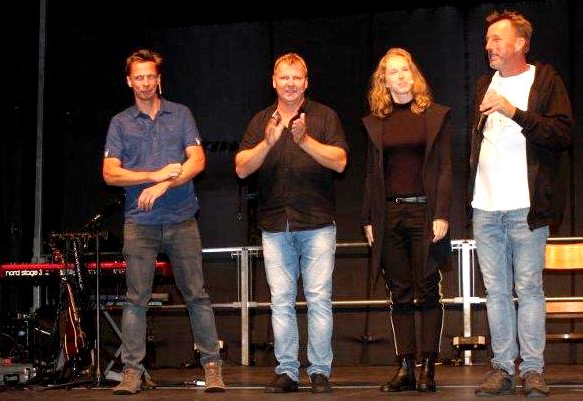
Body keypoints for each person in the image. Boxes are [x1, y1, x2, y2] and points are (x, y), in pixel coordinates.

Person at [102, 49, 224, 395]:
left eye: (150, 76)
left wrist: (163, 185)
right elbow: (110, 173)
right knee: (135, 299)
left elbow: (197, 161)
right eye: (138, 77)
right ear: (129, 81)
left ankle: (212, 366)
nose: (145, 83)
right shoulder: (120, 123)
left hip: (182, 219)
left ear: (159, 79)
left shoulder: (180, 114)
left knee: (196, 295)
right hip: (139, 224)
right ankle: (132, 372)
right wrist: (153, 174)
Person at [470, 10, 573, 398]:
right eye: (487, 40)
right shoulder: (485, 83)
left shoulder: (544, 80)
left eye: (496, 39)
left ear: (520, 43)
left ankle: (532, 370)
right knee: (495, 291)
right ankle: (501, 368)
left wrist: (513, 111)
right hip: (485, 206)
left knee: (528, 288)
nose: (489, 46)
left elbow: (561, 133)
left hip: (526, 207)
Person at [235, 53, 348, 393]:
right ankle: (287, 371)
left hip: (317, 223)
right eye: (284, 77)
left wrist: (304, 141)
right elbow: (241, 168)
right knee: (281, 301)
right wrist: (268, 142)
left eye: (296, 77)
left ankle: (319, 371)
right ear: (274, 81)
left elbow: (340, 162)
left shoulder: (324, 116)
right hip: (275, 225)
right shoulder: (261, 120)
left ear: (306, 82)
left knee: (318, 299)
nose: (290, 83)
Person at [361, 48, 452, 393]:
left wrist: (441, 213)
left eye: (405, 70)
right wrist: (369, 218)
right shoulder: (376, 122)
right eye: (393, 72)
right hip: (389, 214)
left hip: (424, 212)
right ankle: (405, 367)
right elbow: (371, 174)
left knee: (427, 289)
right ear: (383, 81)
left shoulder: (434, 116)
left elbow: (445, 168)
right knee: (398, 292)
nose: (400, 76)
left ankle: (428, 365)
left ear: (414, 74)